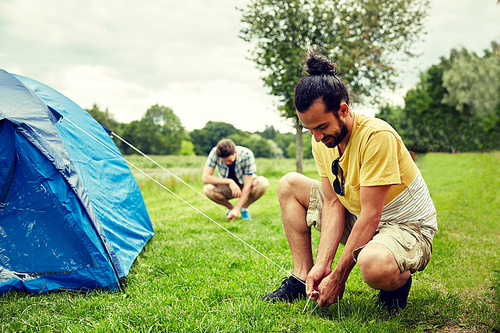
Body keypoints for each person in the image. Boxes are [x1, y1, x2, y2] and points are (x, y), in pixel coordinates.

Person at [262, 52, 438, 312]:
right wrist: (323, 264)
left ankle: (397, 282)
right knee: (289, 183)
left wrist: (338, 278)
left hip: (406, 227)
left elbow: (371, 216)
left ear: (343, 110)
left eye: (321, 127)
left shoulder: (377, 136)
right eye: (309, 129)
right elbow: (333, 203)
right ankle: (302, 278)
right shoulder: (321, 140)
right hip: (360, 216)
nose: (317, 137)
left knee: (373, 264)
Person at [202, 139, 269, 221]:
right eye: (224, 161)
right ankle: (230, 208)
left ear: (235, 152)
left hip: (245, 184)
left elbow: (247, 185)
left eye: (229, 161)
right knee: (207, 189)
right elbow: (205, 178)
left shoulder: (247, 154)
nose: (227, 163)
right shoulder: (214, 152)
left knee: (263, 182)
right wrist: (230, 182)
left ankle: (244, 208)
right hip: (227, 186)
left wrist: (237, 209)